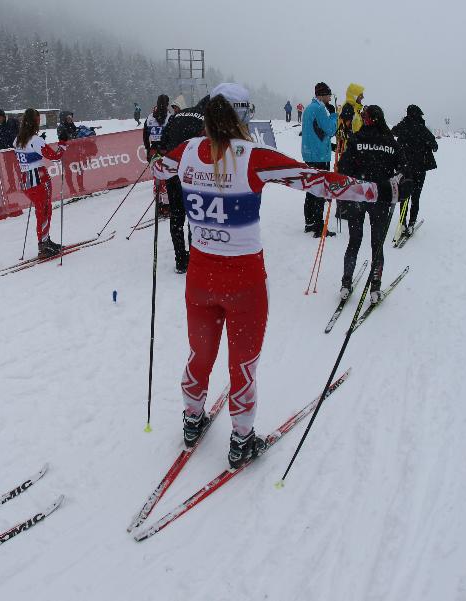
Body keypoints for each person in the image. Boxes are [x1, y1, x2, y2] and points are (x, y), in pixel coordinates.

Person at [153, 84, 377, 467]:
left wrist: (164, 159)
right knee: (242, 365)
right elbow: (316, 181)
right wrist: (376, 190)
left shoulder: (187, 150)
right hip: (244, 284)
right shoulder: (252, 156)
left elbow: (158, 167)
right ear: (242, 114)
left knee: (200, 354)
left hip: (201, 280)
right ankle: (241, 440)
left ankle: (192, 418)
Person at [336, 105, 408, 304]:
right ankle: (375, 286)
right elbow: (403, 168)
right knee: (377, 243)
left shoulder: (357, 138)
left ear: (367, 120)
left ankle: (346, 282)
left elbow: (344, 167)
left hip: (358, 196)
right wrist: (395, 182)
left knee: (354, 240)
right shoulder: (390, 141)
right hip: (380, 198)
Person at [158, 94, 211, 273]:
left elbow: (162, 144)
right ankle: (195, 258)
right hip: (192, 174)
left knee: (176, 216)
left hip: (173, 170)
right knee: (194, 216)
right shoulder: (205, 119)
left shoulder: (178, 115)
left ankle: (180, 260)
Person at [15, 108, 68, 258]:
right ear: (35, 122)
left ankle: (45, 240)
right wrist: (63, 142)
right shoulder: (35, 140)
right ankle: (43, 245)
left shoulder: (17, 139)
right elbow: (56, 156)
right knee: (44, 211)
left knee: (41, 211)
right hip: (38, 179)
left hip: (26, 180)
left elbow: (25, 155)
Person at [300, 82, 339, 238]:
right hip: (319, 156)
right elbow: (330, 130)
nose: (330, 98)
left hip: (310, 154)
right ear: (322, 95)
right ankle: (318, 226)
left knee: (311, 189)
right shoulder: (319, 109)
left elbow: (316, 132)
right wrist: (334, 115)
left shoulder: (309, 108)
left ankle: (310, 222)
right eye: (329, 95)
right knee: (320, 191)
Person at [391, 104, 438, 234]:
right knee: (415, 197)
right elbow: (434, 146)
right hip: (419, 169)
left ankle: (402, 223)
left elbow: (393, 132)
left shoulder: (403, 126)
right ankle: (412, 223)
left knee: (404, 195)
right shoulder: (422, 129)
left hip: (405, 168)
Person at [144, 94, 173, 218]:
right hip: (166, 152)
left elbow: (145, 137)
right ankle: (167, 206)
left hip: (153, 152)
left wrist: (148, 150)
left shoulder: (150, 117)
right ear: (167, 104)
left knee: (156, 179)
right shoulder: (170, 117)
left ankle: (159, 205)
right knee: (166, 179)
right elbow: (172, 136)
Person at [57, 111, 86, 195]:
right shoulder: (61, 127)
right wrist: (75, 135)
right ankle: (72, 189)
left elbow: (76, 133)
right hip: (66, 153)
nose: (70, 119)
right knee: (68, 172)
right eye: (68, 117)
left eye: (71, 117)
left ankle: (81, 187)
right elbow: (64, 138)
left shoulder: (71, 125)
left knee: (80, 169)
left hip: (76, 151)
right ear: (64, 118)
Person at [0, 109, 20, 192]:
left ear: (3, 116)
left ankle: (23, 184)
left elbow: (20, 133)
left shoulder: (13, 122)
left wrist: (18, 145)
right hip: (6, 153)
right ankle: (12, 186)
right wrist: (3, 149)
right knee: (9, 170)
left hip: (16, 151)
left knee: (19, 168)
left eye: (0, 117)